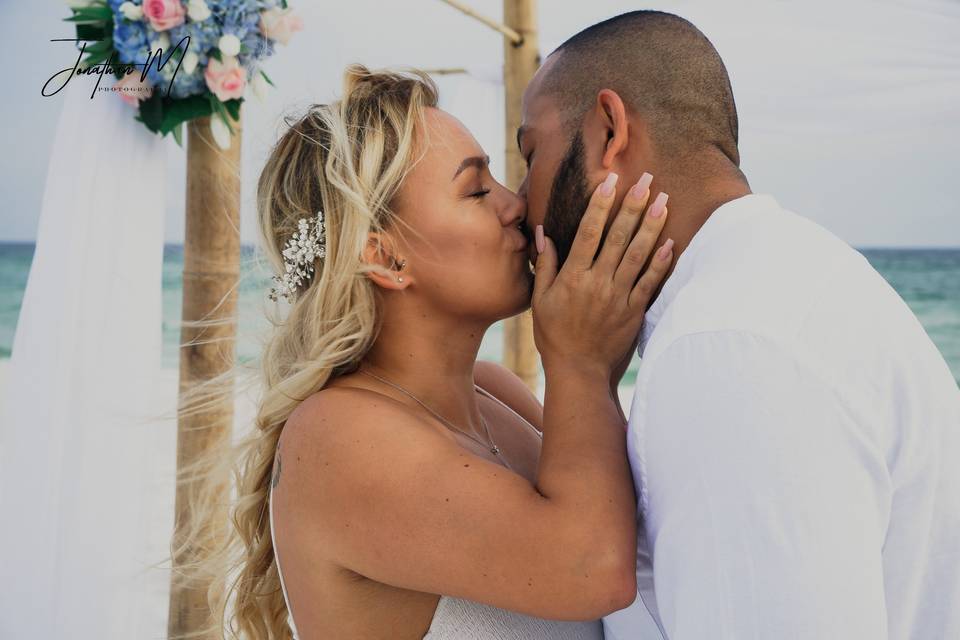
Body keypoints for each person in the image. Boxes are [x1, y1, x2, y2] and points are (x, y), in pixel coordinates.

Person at [177, 63, 675, 639]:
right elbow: (593, 569)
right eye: (477, 190)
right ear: (385, 258)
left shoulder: (496, 392)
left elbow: (627, 537)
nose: (516, 206)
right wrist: (580, 363)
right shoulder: (335, 436)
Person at [517, 10, 960, 640]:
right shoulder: (785, 280)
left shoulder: (726, 349)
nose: (517, 201)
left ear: (609, 132)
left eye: (530, 154)